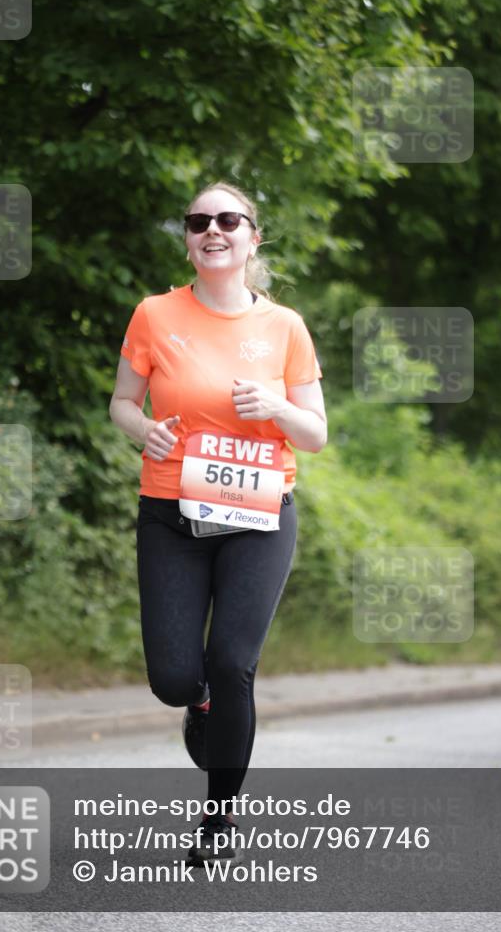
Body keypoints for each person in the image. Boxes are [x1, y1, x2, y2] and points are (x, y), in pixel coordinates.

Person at [109, 180, 326, 865]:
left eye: (228, 219)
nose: (213, 229)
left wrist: (275, 407)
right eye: (198, 221)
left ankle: (219, 819)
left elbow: (315, 434)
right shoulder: (153, 314)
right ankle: (195, 699)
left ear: (251, 236)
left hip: (258, 517)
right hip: (171, 514)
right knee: (175, 677)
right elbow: (120, 402)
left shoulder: (283, 326)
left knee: (233, 662)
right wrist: (142, 431)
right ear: (187, 238)